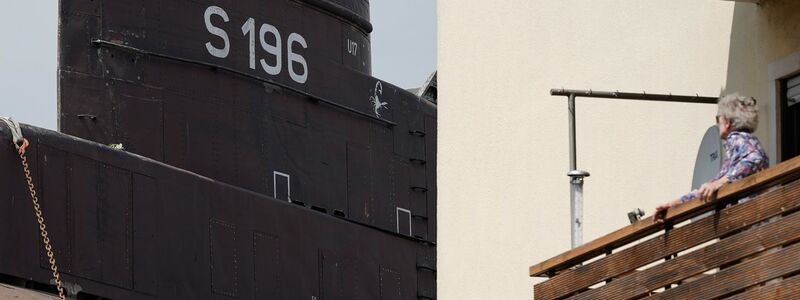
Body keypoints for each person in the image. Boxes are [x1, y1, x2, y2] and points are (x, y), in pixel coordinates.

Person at [653, 93, 769, 222]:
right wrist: (674, 204)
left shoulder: (737, 139)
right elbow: (708, 188)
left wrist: (720, 182)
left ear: (727, 123)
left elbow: (755, 158)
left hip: (747, 221)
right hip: (747, 221)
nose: (717, 123)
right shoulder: (739, 147)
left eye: (718, 119)